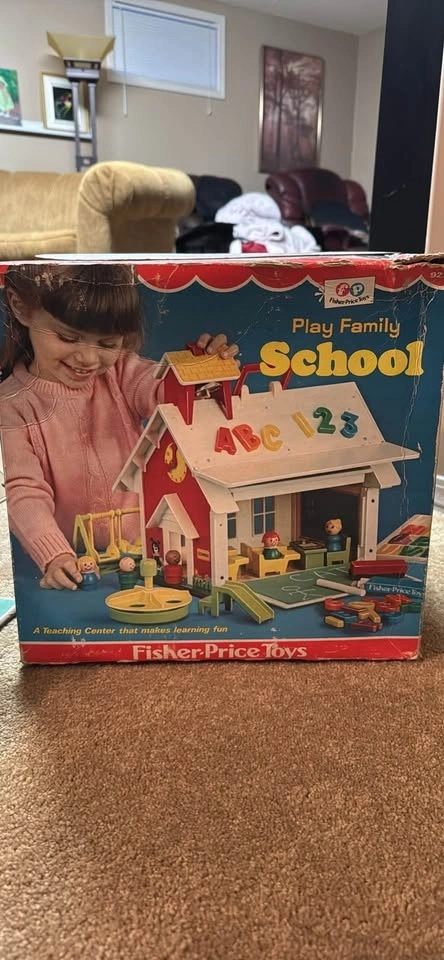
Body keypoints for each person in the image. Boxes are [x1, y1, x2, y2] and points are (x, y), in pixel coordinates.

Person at [0, 263, 238, 591]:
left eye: (108, 344)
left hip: (150, 552)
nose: (88, 359)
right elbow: (25, 491)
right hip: (80, 564)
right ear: (20, 307)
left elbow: (163, 394)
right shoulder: (12, 403)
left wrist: (201, 374)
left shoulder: (121, 372)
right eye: (68, 337)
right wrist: (55, 555)